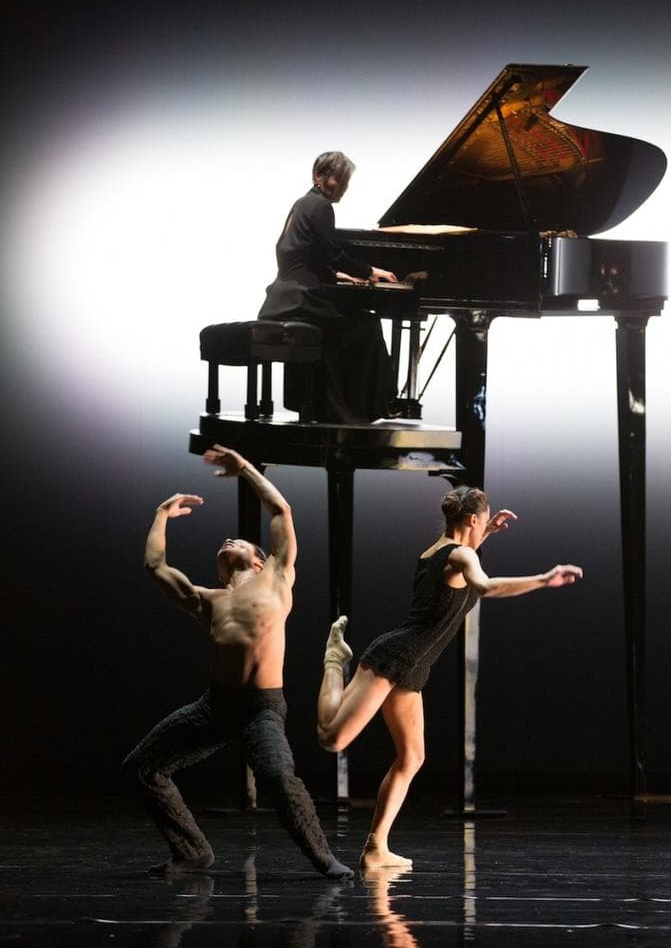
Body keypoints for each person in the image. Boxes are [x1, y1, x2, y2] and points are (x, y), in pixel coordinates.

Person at [316, 485, 583, 870]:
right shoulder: (459, 556)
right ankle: (333, 658)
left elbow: (462, 560)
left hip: (413, 666)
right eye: (482, 522)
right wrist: (544, 578)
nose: (485, 528)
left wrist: (487, 532)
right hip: (395, 656)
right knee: (332, 738)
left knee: (412, 757)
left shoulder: (441, 551)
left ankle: (376, 848)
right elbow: (484, 586)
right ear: (472, 519)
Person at [122, 443, 353, 881]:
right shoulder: (207, 600)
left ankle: (322, 857)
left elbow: (280, 510)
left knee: (277, 775)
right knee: (142, 767)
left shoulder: (277, 576)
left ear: (259, 559)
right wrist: (161, 514)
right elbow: (155, 565)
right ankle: (193, 851)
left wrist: (244, 467)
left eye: (241, 541)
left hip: (262, 709)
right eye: (225, 543)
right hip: (216, 706)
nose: (228, 540)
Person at [257, 150, 399, 424]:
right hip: (303, 301)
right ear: (318, 177)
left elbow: (302, 255)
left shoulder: (302, 204)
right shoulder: (321, 206)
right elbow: (333, 254)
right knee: (367, 325)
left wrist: (340, 276)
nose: (342, 187)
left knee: (345, 327)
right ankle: (361, 409)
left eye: (346, 182)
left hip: (283, 299)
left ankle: (328, 406)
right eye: (338, 180)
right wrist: (371, 271)